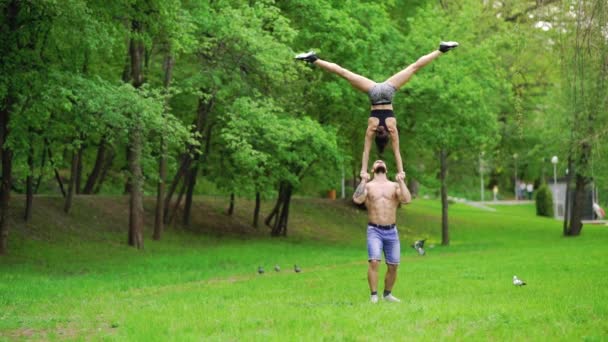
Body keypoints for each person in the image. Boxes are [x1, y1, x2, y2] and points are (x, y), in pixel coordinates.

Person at [295, 42, 459, 180]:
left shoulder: (392, 129)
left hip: (387, 91)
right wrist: (363, 170)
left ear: (386, 139)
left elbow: (397, 152)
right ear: (377, 139)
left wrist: (401, 171)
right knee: (344, 73)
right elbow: (366, 151)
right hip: (373, 93)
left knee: (414, 67)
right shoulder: (371, 128)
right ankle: (313, 59)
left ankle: (441, 50)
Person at [352, 160, 412, 303]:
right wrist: (362, 181)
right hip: (375, 230)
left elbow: (407, 199)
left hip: (392, 231)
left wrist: (402, 181)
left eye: (382, 162)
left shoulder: (395, 185)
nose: (379, 162)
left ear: (386, 168)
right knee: (374, 261)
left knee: (394, 265)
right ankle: (374, 295)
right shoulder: (368, 186)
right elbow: (357, 199)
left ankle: (387, 294)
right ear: (373, 170)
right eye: (376, 162)